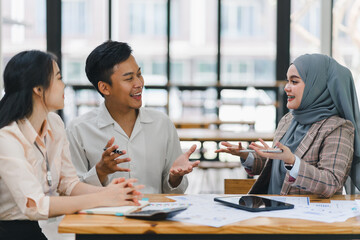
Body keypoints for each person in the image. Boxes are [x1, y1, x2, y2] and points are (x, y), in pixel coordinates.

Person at [0, 50, 144, 240]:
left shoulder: (55, 124)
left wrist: (113, 193)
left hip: (32, 228)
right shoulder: (7, 137)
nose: (64, 85)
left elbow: (68, 184)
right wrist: (104, 197)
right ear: (38, 89)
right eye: (58, 78)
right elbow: (36, 206)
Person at [216, 53, 360, 198]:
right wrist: (247, 156)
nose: (286, 88)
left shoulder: (338, 128)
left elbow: (330, 182)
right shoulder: (288, 120)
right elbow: (278, 164)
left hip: (307, 218)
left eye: (294, 82)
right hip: (273, 213)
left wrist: (292, 161)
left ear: (316, 86)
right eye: (287, 81)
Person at [66, 41, 200, 194]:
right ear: (104, 87)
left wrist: (174, 178)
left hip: (153, 215)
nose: (139, 83)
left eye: (139, 74)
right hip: (103, 215)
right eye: (129, 79)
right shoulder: (78, 130)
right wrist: (100, 172)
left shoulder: (162, 124)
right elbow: (70, 191)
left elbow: (175, 193)